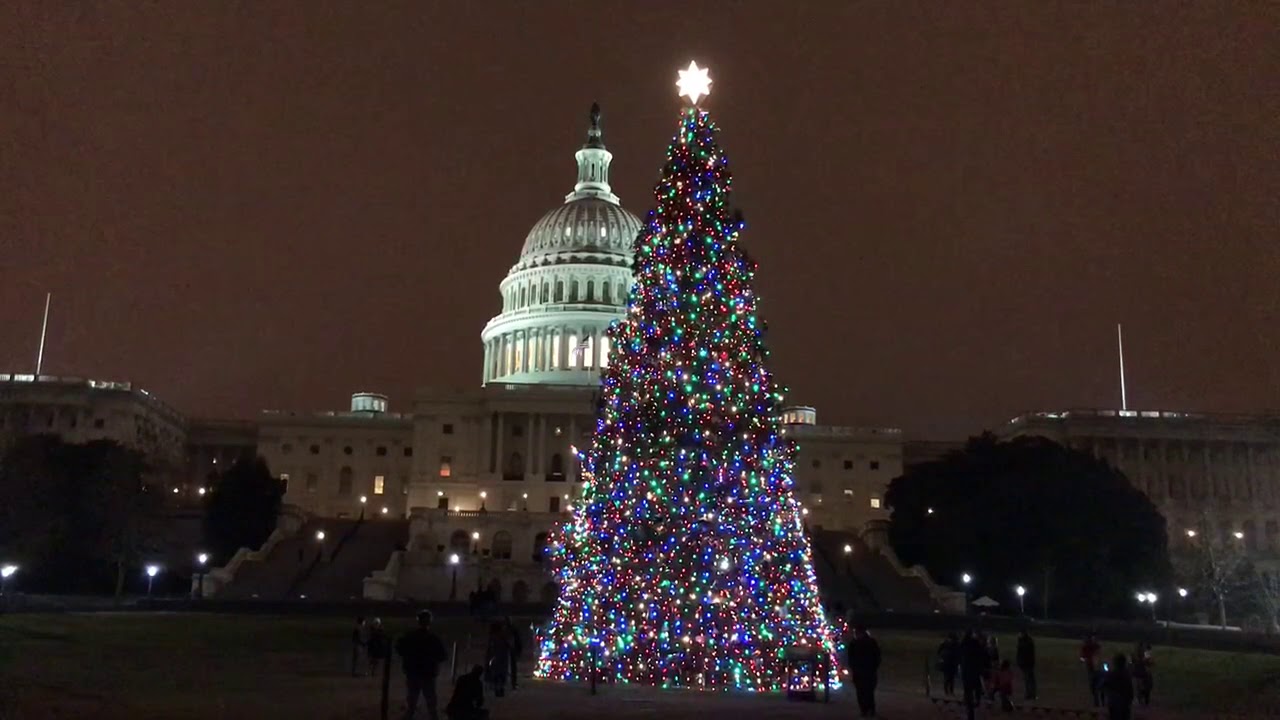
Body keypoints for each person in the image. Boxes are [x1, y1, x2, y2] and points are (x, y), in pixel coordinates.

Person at [397, 610, 449, 720]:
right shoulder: (433, 639)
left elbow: (400, 649)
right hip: (428, 673)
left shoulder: (410, 636)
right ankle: (432, 716)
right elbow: (443, 656)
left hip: (413, 672)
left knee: (412, 697)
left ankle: (410, 714)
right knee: (430, 698)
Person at [846, 624, 881, 718]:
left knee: (863, 691)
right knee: (866, 691)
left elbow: (850, 657)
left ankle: (866, 709)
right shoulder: (870, 642)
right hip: (866, 671)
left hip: (863, 671)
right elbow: (877, 656)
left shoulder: (855, 643)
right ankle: (868, 709)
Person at [959, 630, 987, 720]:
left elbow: (960, 658)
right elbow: (981, 656)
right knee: (976, 687)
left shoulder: (963, 645)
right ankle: (977, 701)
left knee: (968, 693)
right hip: (974, 671)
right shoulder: (976, 645)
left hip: (966, 672)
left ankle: (970, 712)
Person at [1103, 653, 1134, 720]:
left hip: (1115, 702)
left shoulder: (1113, 674)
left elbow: (1104, 685)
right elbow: (1130, 689)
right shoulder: (1126, 674)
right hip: (1124, 703)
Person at [484, 620, 510, 698]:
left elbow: (490, 649)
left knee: (496, 674)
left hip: (495, 658)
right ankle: (500, 689)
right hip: (500, 658)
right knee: (500, 674)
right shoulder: (502, 637)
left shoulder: (493, 638)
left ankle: (497, 688)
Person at [1080, 633, 1103, 707]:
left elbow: (1100, 656)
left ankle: (1099, 701)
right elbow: (1082, 658)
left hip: (1096, 668)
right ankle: (1098, 701)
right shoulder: (1087, 647)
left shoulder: (1092, 647)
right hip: (1092, 668)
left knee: (1097, 685)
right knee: (1095, 685)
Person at [1016, 629, 1037, 700]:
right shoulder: (1027, 641)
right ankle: (1030, 693)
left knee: (1028, 679)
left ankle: (1030, 694)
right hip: (1026, 663)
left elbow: (1023, 652)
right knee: (1028, 679)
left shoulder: (1025, 642)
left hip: (1027, 663)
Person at [937, 632, 960, 696]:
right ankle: (949, 691)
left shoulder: (945, 643)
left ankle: (948, 691)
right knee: (950, 678)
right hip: (950, 663)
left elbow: (939, 651)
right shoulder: (955, 644)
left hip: (948, 663)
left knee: (948, 677)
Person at [505, 617, 523, 690]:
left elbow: (517, 641)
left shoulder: (510, 630)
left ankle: (512, 682)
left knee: (512, 667)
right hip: (510, 650)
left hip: (511, 650)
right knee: (512, 667)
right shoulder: (512, 630)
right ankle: (512, 683)